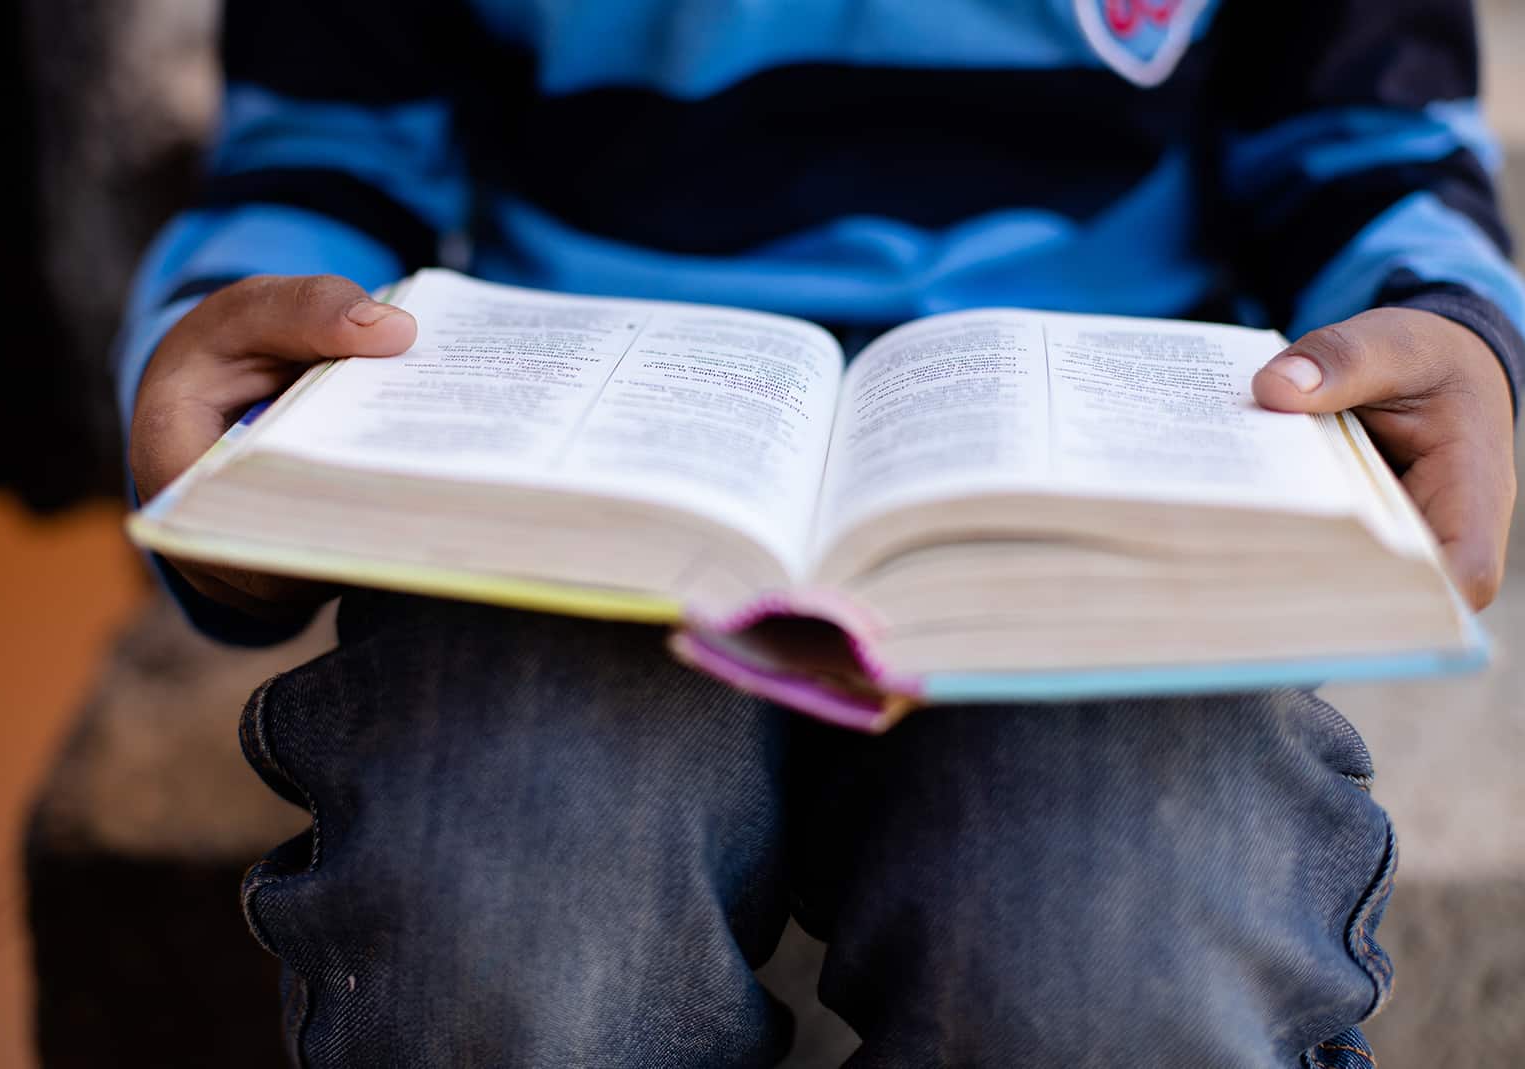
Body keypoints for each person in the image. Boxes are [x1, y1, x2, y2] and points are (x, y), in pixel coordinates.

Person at [118, 1, 1521, 1065]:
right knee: (511, 915)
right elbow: (324, 151)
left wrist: (1454, 336)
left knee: (1118, 950)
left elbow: (1366, 143)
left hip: (1098, 476)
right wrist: (249, 415)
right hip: (576, 475)